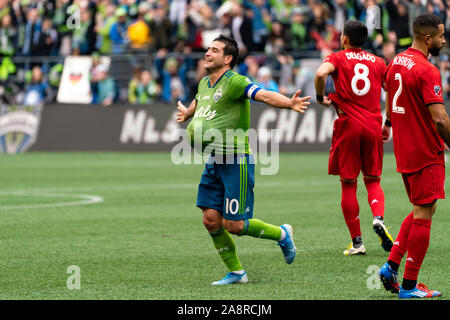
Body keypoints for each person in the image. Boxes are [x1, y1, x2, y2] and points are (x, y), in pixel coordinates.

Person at [176, 35, 310, 285]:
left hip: (236, 159)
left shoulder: (236, 82)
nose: (207, 53)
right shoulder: (205, 83)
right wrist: (188, 112)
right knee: (210, 220)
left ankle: (282, 234)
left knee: (234, 225)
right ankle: (237, 272)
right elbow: (200, 100)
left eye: (214, 50)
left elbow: (264, 96)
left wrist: (289, 102)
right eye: (208, 49)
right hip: (215, 159)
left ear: (227, 59)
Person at [378, 13, 448, 299]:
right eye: (442, 36)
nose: (444, 41)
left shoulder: (396, 61)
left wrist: (389, 123)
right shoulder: (427, 70)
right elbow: (440, 119)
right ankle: (409, 285)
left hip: (406, 149)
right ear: (428, 38)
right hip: (425, 150)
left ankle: (391, 265)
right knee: (424, 214)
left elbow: (393, 95)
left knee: (423, 209)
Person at [314, 20, 394, 256]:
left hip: (348, 125)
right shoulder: (379, 62)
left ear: (344, 39)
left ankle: (357, 243)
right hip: (372, 125)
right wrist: (388, 122)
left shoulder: (338, 58)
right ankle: (378, 218)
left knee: (349, 184)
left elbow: (320, 73)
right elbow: (390, 89)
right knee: (373, 180)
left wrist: (320, 96)